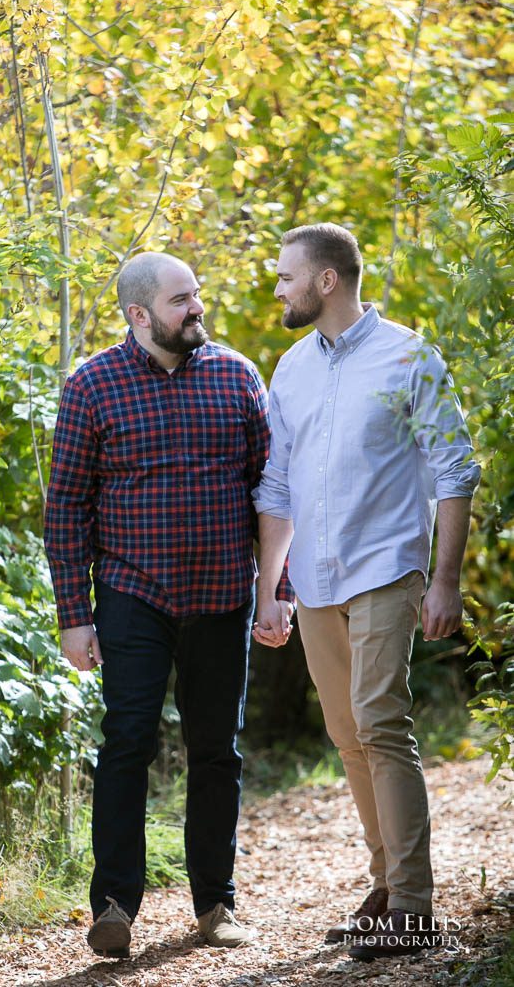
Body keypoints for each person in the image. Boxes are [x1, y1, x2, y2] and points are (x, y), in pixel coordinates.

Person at [44, 251, 292, 958]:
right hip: (132, 594)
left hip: (221, 595)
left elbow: (270, 493)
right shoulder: (92, 385)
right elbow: (66, 508)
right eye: (182, 299)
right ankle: (114, 905)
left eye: (197, 296)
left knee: (217, 752)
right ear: (138, 314)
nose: (197, 309)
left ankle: (216, 904)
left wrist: (277, 590)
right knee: (127, 742)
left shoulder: (236, 375)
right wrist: (73, 614)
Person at [252, 223, 480, 961]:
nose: (277, 288)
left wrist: (443, 579)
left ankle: (412, 905)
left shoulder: (409, 356)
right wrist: (271, 589)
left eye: (286, 276)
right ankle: (385, 886)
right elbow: (279, 485)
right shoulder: (289, 368)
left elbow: (453, 469)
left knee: (379, 721)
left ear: (325, 281)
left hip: (386, 567)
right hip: (315, 579)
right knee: (347, 735)